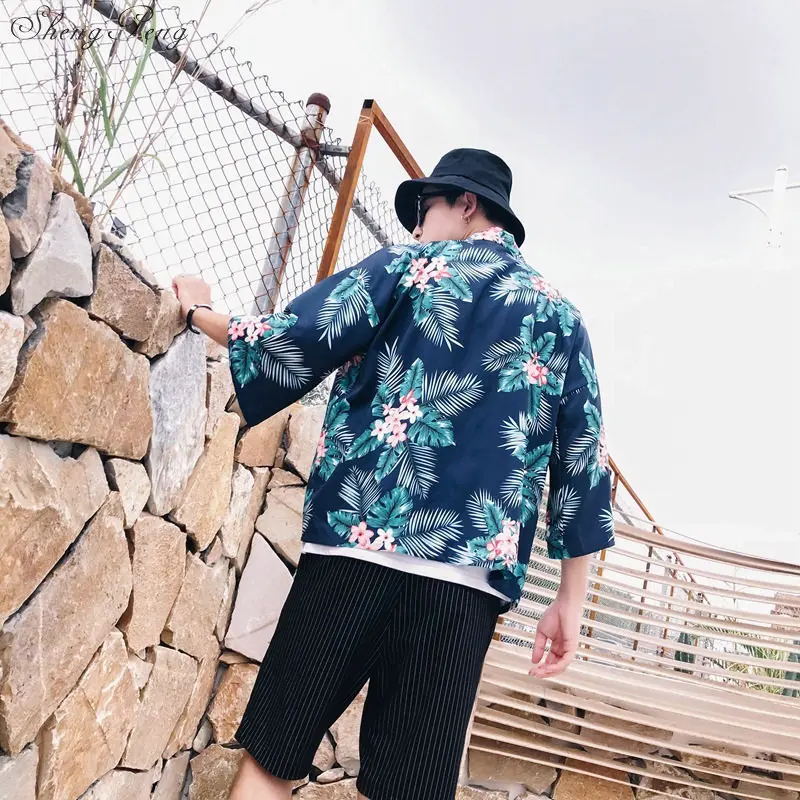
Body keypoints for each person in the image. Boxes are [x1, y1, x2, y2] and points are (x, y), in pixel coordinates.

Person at [172, 148, 614, 800]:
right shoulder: (563, 320)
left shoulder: (406, 267)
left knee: (273, 756)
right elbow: (582, 464)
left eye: (424, 210)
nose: (415, 227)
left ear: (466, 205)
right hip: (464, 584)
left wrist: (198, 312)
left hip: (354, 548)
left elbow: (292, 340)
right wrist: (569, 602)